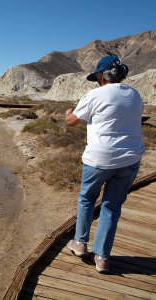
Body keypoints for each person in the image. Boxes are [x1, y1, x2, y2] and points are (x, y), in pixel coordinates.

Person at [65, 56, 145, 273]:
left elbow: (72, 123)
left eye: (97, 77)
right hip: (130, 158)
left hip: (99, 159)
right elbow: (136, 122)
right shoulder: (135, 95)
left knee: (87, 199)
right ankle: (102, 258)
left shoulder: (95, 94)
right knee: (112, 206)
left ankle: (80, 243)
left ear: (101, 76)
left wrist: (69, 113)